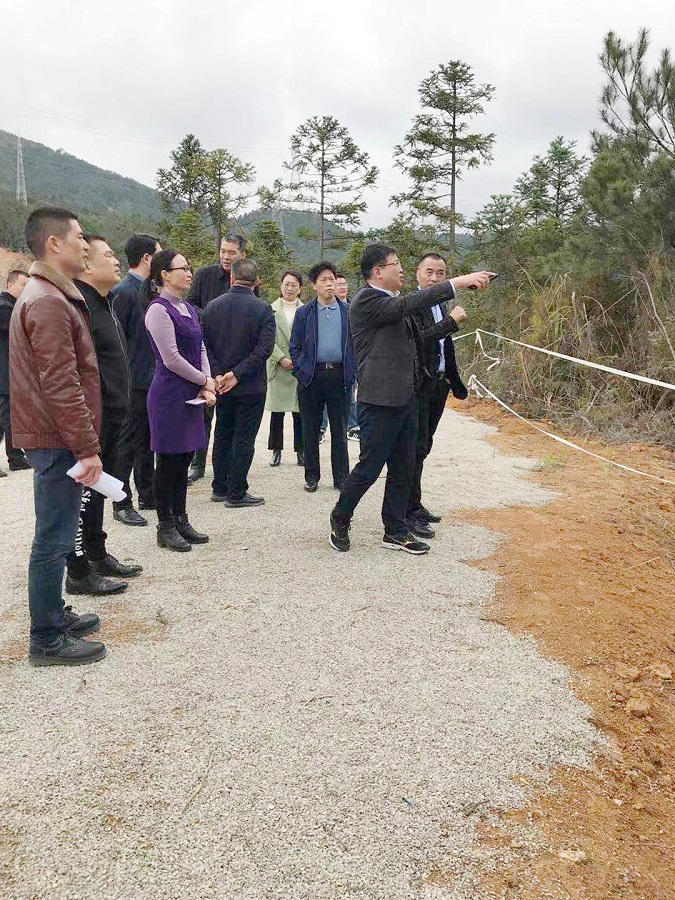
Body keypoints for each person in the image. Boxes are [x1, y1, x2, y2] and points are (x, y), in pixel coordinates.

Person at [329, 243, 492, 555]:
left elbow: (420, 338)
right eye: (396, 264)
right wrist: (458, 282)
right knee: (369, 467)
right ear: (377, 271)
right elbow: (410, 304)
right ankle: (340, 517)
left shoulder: (393, 304)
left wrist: (449, 325)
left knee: (404, 467)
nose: (402, 270)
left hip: (407, 397)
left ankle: (395, 530)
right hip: (379, 401)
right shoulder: (366, 300)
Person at [10, 207, 106, 665]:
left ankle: (52, 613)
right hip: (56, 437)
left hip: (52, 434)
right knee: (53, 538)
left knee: (60, 533)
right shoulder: (47, 300)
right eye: (79, 236)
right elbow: (61, 382)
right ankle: (46, 638)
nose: (85, 245)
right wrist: (87, 448)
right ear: (54, 243)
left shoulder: (47, 294)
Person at [65, 235, 143, 596]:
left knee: (98, 490)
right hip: (94, 416)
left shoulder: (106, 302)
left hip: (115, 413)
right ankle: (78, 570)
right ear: (86, 265)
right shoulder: (79, 307)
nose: (116, 261)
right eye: (108, 255)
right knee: (83, 495)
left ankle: (97, 554)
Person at [143, 250, 215, 551]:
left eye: (189, 267)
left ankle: (181, 519)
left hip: (192, 392)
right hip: (169, 394)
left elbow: (200, 348)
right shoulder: (158, 310)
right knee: (168, 461)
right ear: (164, 274)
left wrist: (207, 381)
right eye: (182, 268)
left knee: (184, 457)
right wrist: (204, 381)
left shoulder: (187, 308)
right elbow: (171, 358)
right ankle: (166, 525)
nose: (188, 273)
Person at [405, 252, 468, 539]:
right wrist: (451, 322)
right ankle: (408, 511)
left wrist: (452, 380)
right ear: (417, 273)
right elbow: (419, 340)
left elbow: (444, 347)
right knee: (414, 448)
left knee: (424, 446)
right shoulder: (411, 305)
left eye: (440, 273)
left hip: (438, 385)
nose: (434, 278)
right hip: (419, 386)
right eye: (429, 272)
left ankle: (415, 504)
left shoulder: (440, 305)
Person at [202, 259, 275, 507]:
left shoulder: (212, 306)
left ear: (232, 278)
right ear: (257, 281)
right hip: (250, 384)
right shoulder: (263, 309)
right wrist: (238, 374)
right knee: (244, 438)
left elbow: (205, 345)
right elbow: (264, 349)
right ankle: (237, 492)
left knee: (222, 433)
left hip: (221, 383)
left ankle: (219, 487)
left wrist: (219, 373)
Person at [186, 232, 249, 484]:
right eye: (223, 251)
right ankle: (197, 464)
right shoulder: (204, 275)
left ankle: (225, 467)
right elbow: (190, 304)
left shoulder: (246, 278)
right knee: (204, 411)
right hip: (205, 350)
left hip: (233, 354)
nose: (226, 256)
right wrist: (213, 315)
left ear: (242, 254)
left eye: (231, 252)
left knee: (229, 416)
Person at [289, 261, 356, 493]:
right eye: (324, 280)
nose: (329, 284)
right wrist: (301, 370)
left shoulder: (349, 311)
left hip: (340, 376)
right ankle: (311, 476)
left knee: (340, 429)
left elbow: (357, 344)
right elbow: (294, 346)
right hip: (311, 377)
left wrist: (353, 372)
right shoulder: (304, 313)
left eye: (332, 280)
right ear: (314, 285)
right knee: (310, 429)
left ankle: (341, 478)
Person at [112, 233, 161, 526]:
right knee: (127, 444)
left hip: (149, 380)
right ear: (146, 258)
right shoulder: (123, 292)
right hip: (131, 383)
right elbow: (116, 342)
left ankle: (148, 493)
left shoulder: (148, 291)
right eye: (158, 254)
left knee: (147, 442)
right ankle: (121, 502)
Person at [266, 270, 304, 468]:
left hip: (298, 367)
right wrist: (280, 358)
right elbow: (266, 338)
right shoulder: (269, 310)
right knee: (277, 413)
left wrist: (299, 359)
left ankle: (301, 451)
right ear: (281, 286)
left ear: (300, 288)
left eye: (294, 285)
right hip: (278, 366)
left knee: (300, 413)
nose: (289, 288)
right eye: (286, 284)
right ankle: (276, 450)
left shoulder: (306, 310)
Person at [0, 269, 30, 476]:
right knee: (5, 416)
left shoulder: (14, 306)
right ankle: (15, 457)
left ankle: (16, 457)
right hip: (4, 372)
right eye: (22, 285)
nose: (26, 289)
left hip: (11, 372)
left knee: (11, 415)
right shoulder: (4, 307)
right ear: (9, 285)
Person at [335, 272, 360, 442]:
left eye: (344, 284)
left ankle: (353, 426)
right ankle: (322, 427)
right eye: (339, 284)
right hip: (334, 357)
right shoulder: (329, 308)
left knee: (351, 393)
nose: (342, 287)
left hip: (353, 355)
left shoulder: (354, 307)